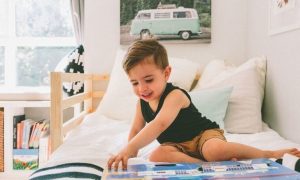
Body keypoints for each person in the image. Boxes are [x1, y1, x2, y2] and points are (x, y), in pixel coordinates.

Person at [107, 39, 300, 170]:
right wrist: (128, 154)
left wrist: (129, 149)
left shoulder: (174, 95)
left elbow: (160, 124)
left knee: (214, 150)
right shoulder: (141, 104)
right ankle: (202, 164)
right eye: (134, 83)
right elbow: (134, 131)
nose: (142, 88)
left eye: (148, 80)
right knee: (157, 155)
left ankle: (269, 152)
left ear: (166, 74)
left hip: (203, 136)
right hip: (176, 146)